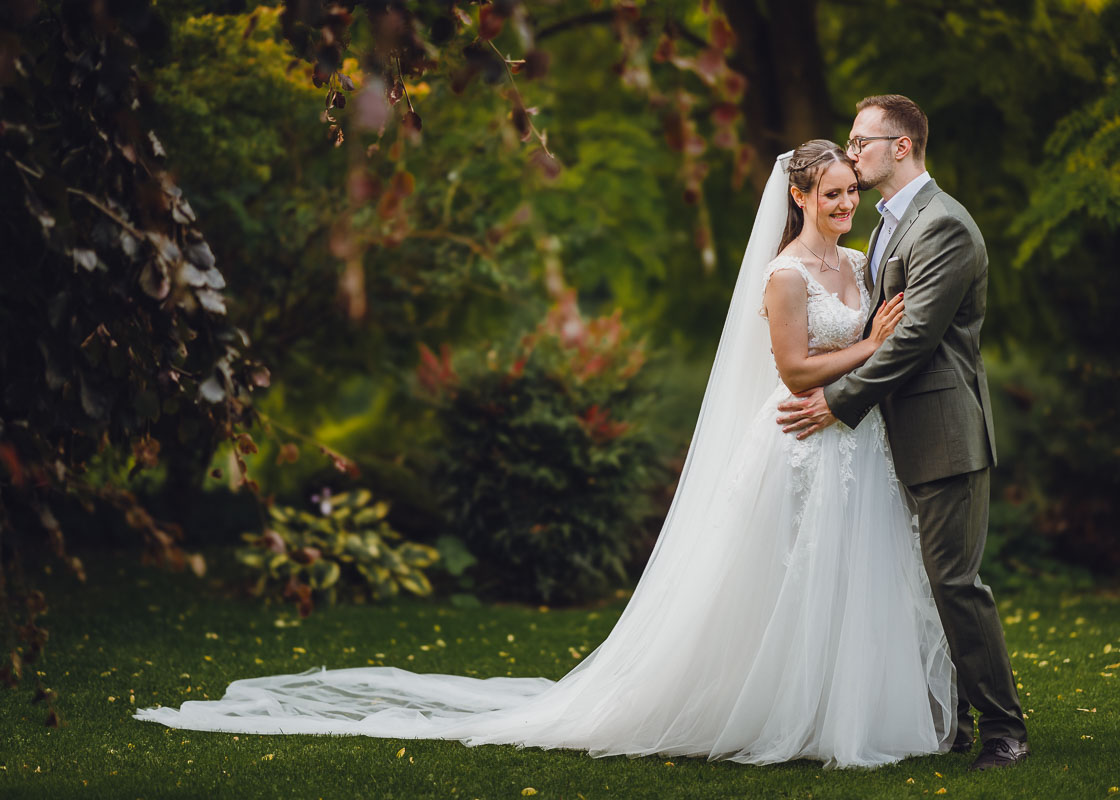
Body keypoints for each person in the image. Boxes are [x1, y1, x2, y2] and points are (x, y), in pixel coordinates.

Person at [136, 139, 956, 769]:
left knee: (847, 577)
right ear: (801, 195)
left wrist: (875, 343)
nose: (847, 204)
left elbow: (877, 340)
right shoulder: (784, 276)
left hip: (852, 442)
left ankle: (844, 713)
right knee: (788, 582)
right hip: (799, 441)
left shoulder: (856, 264)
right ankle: (777, 712)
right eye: (834, 193)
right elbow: (792, 368)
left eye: (853, 191)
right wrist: (867, 348)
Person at [776, 95, 1030, 771]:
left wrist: (838, 402)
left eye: (862, 142)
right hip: (896, 437)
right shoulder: (890, 222)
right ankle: (951, 721)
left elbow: (914, 339)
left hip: (944, 433)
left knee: (953, 582)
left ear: (902, 146)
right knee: (921, 585)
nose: (852, 152)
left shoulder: (942, 225)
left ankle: (1004, 729)